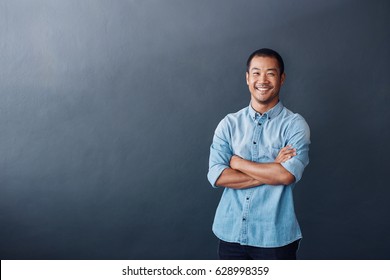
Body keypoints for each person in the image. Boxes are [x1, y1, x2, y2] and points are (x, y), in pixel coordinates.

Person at [207, 48, 310, 260]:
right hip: (230, 234)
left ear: (282, 78)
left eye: (270, 73)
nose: (262, 80)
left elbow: (286, 176)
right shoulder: (229, 124)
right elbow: (218, 176)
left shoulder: (295, 125)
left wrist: (237, 162)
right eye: (256, 73)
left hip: (274, 238)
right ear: (247, 78)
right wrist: (273, 167)